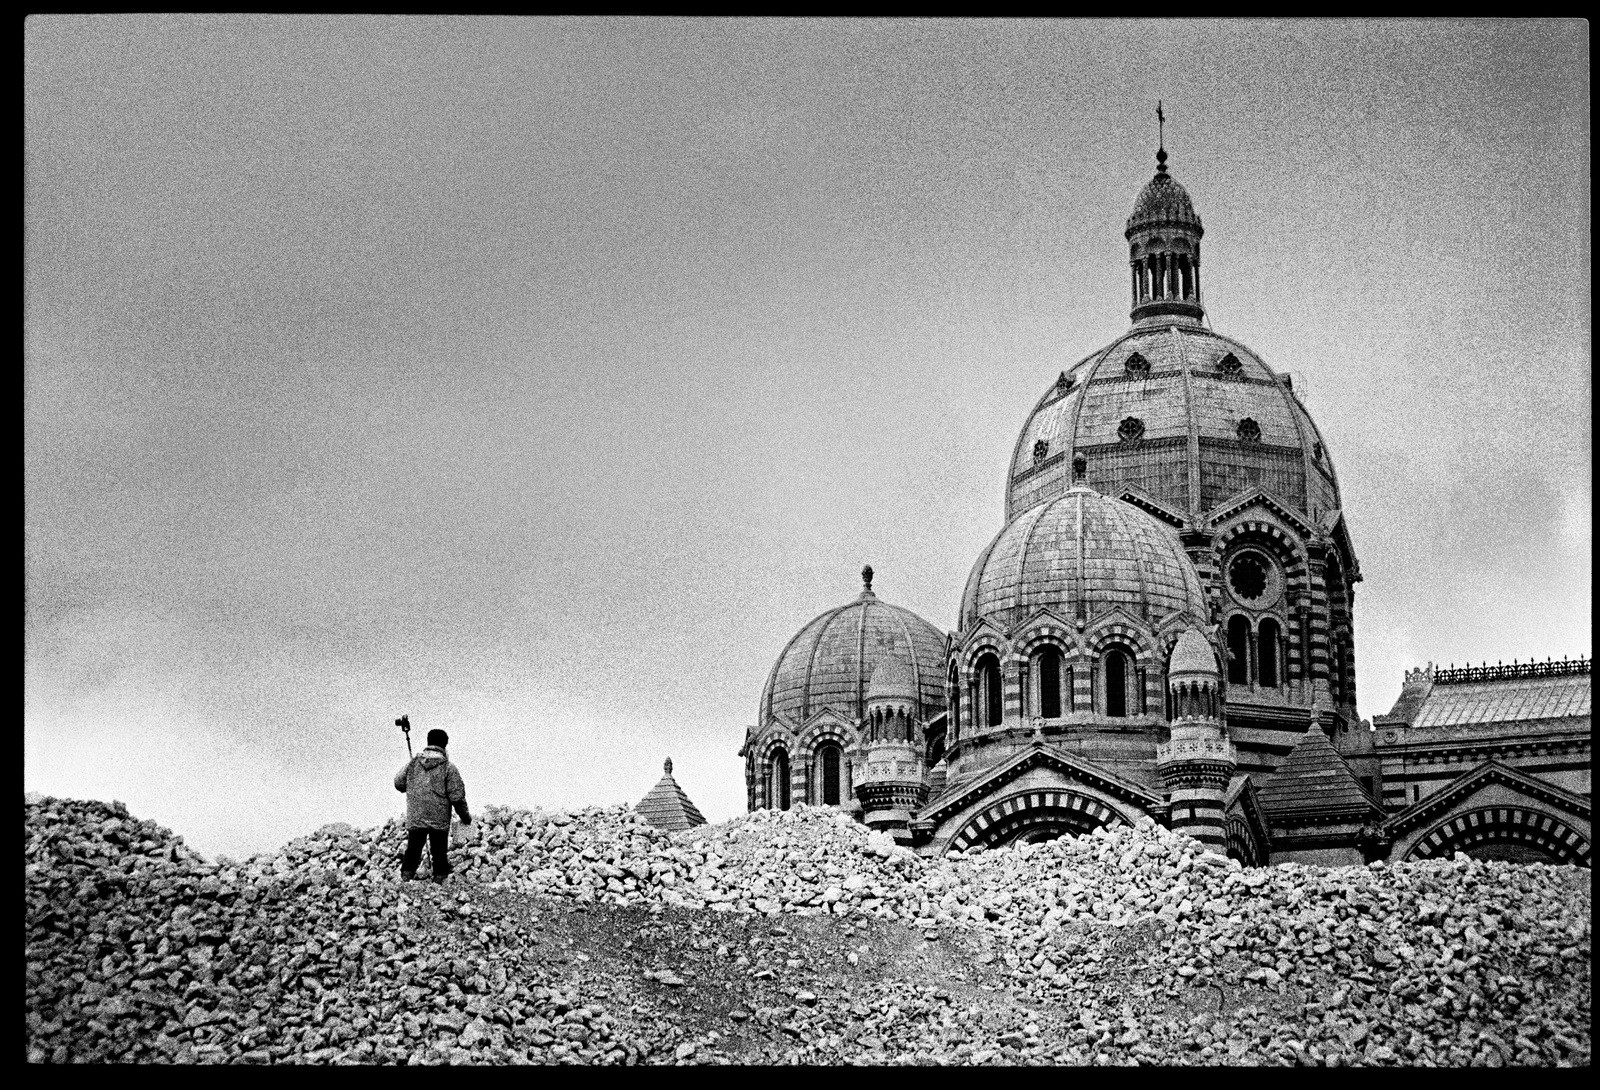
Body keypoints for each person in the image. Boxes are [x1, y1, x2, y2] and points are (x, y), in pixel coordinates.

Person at [393, 728, 471, 882]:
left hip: (417, 816)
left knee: (413, 849)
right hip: (439, 819)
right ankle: (440, 883)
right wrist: (465, 817)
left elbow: (399, 784)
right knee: (439, 852)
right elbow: (457, 797)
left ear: (428, 742)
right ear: (444, 745)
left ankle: (404, 880)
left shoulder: (414, 763)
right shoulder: (448, 767)